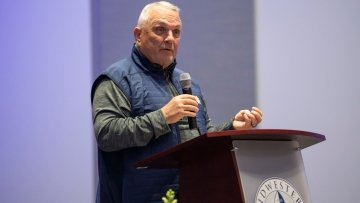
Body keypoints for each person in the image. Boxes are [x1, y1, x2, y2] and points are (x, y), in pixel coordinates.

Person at [91, 1, 263, 202]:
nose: (170, 38)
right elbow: (107, 134)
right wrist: (163, 117)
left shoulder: (188, 84)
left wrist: (232, 127)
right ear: (138, 35)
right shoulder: (117, 80)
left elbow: (199, 140)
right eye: (160, 30)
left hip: (190, 194)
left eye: (176, 32)